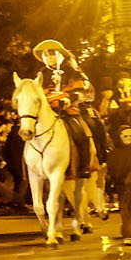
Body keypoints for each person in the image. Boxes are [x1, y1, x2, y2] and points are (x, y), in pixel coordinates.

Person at [33, 40, 94, 181]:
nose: (50, 59)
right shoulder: (41, 74)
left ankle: (84, 166)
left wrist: (69, 100)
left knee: (80, 132)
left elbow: (80, 91)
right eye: (47, 56)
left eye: (52, 55)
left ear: (59, 55)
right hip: (47, 111)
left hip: (68, 110)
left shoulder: (72, 71)